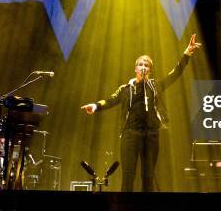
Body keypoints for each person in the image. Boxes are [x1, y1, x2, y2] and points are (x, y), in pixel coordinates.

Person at [81, 34, 201, 192]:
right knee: (128, 174)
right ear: (135, 68)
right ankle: (125, 208)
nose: (144, 67)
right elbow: (110, 100)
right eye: (141, 64)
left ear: (149, 70)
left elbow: (175, 74)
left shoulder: (154, 86)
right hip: (130, 134)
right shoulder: (125, 89)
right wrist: (95, 106)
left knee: (148, 175)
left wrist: (187, 53)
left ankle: (146, 210)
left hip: (151, 134)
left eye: (147, 65)